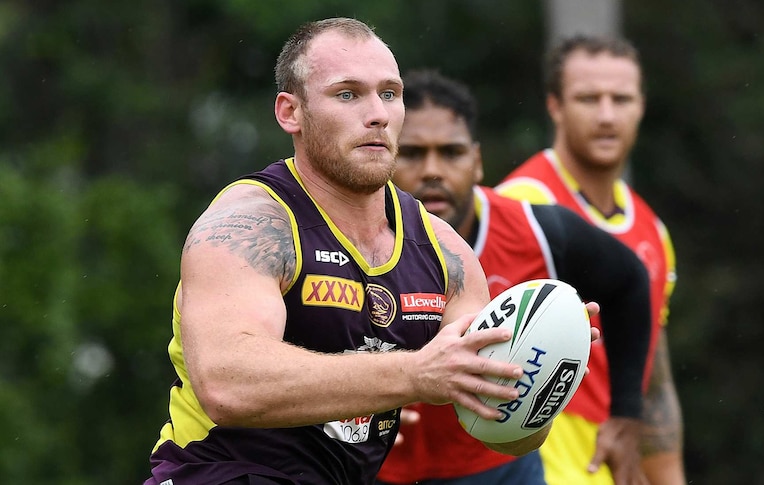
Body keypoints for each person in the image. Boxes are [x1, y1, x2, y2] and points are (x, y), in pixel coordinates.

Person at [144, 18, 580, 485]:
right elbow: (228, 385)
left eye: (390, 94)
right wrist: (414, 373)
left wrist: (543, 375)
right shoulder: (249, 224)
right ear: (291, 112)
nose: (377, 114)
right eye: (348, 94)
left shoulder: (444, 251)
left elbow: (499, 431)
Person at [376, 70, 652, 485]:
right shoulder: (345, 242)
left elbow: (630, 280)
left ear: (477, 161)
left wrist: (627, 414)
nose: (433, 170)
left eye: (451, 153)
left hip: (501, 467)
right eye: (412, 153)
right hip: (380, 469)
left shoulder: (539, 232)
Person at [496, 34, 686, 484]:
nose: (606, 115)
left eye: (621, 99)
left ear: (641, 106)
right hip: (533, 460)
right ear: (555, 107)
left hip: (609, 465)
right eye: (588, 98)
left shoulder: (652, 230)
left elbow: (652, 374)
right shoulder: (521, 207)